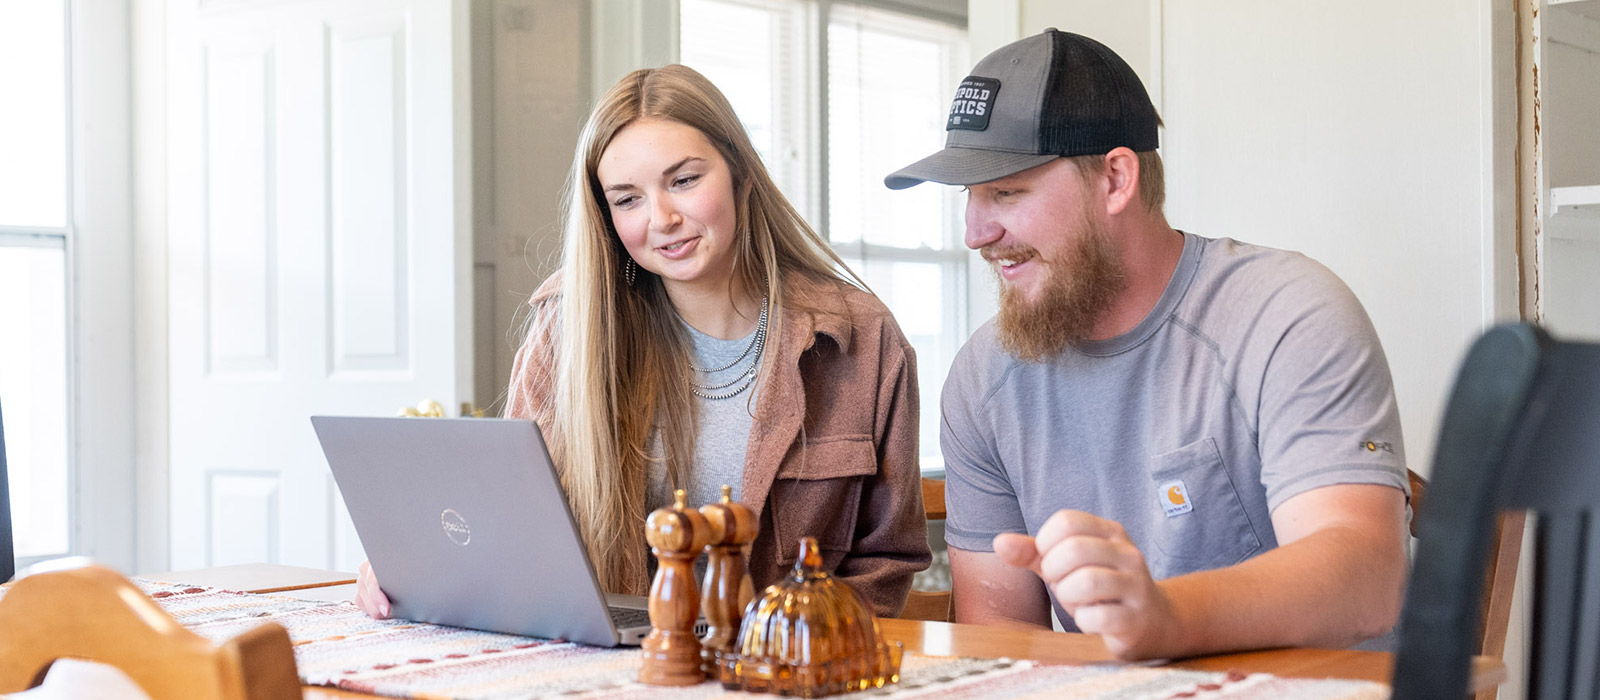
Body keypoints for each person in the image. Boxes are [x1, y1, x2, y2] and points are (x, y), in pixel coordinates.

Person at [884, 30, 1409, 660]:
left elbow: (1367, 580)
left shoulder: (1286, 313)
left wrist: (1164, 616)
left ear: (1115, 179)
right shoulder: (982, 379)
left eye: (1006, 192)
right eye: (968, 198)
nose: (976, 233)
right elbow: (1002, 640)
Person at [356, 65, 929, 619]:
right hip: (603, 665)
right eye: (627, 199)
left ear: (743, 177)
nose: (662, 218)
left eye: (684, 181)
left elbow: (886, 561)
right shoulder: (567, 326)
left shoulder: (864, 338)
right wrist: (411, 558)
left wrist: (794, 646)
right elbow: (508, 522)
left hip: (781, 673)